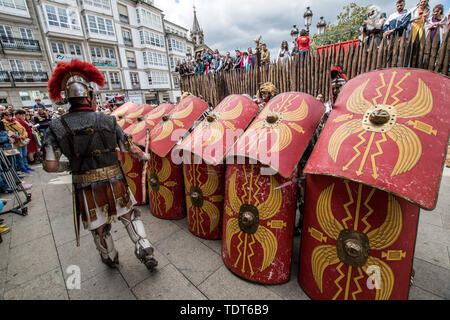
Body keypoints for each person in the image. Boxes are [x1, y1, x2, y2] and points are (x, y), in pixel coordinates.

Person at [43, 59, 158, 271]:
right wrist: (145, 156)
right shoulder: (107, 120)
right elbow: (128, 148)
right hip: (114, 180)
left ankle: (111, 257)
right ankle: (144, 246)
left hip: (85, 186)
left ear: (68, 99)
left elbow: (50, 166)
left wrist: (69, 166)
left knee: (99, 228)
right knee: (129, 216)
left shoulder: (57, 125)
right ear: (89, 96)